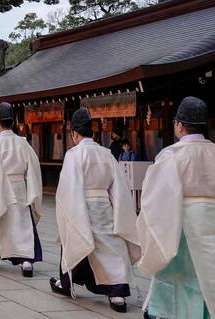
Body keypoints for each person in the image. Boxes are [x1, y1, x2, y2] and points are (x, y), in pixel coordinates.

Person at [50, 107, 140, 313]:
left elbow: (68, 189)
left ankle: (67, 282)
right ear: (93, 132)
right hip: (104, 205)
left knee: (73, 238)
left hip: (80, 203)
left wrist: (71, 213)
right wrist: (119, 211)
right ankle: (117, 292)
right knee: (112, 247)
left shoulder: (74, 155)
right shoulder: (106, 154)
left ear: (74, 133)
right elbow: (120, 186)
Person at [137, 96, 214, 319]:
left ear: (179, 125)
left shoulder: (173, 155)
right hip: (211, 226)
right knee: (207, 277)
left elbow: (155, 199)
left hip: (182, 224)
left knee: (177, 277)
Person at [0, 102, 43, 277]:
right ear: (13, 122)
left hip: (0, 188)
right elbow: (33, 168)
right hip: (20, 187)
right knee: (23, 224)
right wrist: (31, 189)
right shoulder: (23, 144)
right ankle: (27, 261)